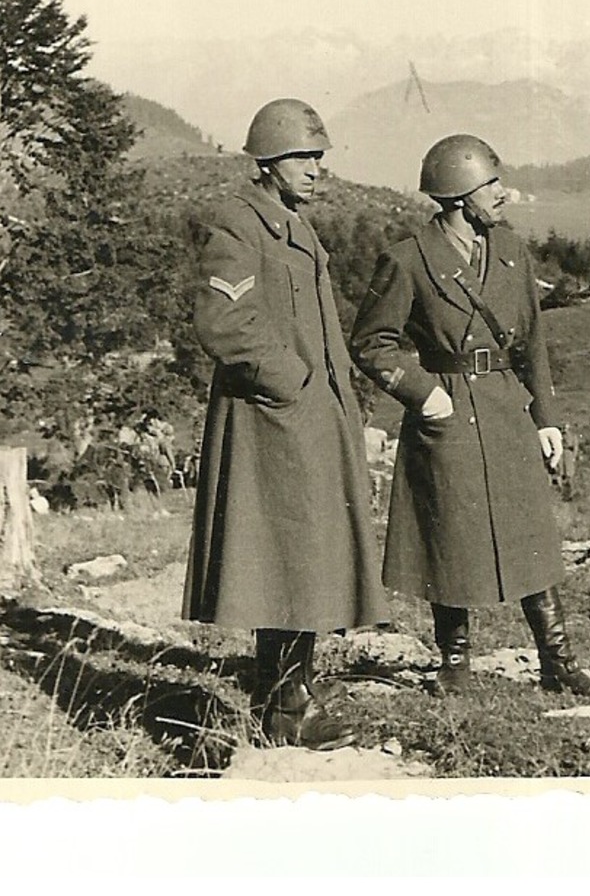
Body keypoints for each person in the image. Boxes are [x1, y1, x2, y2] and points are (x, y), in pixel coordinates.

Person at [349, 133, 590, 698]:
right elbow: (371, 343)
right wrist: (421, 393)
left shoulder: (511, 249)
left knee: (531, 533)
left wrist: (547, 419)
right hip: (447, 408)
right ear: (459, 195)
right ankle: (455, 667)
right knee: (451, 534)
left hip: (504, 405)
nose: (503, 193)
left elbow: (533, 344)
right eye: (491, 184)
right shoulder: (408, 259)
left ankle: (558, 664)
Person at [182, 98, 388, 749]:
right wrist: (293, 386)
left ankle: (287, 684)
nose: (315, 170)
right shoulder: (241, 227)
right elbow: (223, 322)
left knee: (305, 557)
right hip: (274, 423)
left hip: (307, 422)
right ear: (267, 161)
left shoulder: (289, 224)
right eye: (302, 157)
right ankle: (285, 707)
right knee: (290, 558)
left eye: (319, 158)